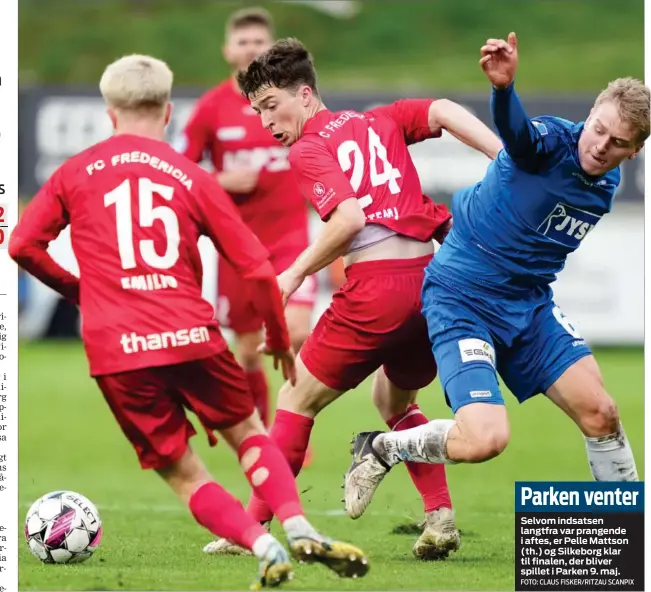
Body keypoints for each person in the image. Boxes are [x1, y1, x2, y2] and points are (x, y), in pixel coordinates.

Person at [9, 53, 369, 589]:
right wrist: (276, 335)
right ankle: (296, 526)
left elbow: (22, 245)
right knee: (248, 433)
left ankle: (263, 544)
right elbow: (253, 265)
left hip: (116, 348)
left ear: (110, 114)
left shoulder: (73, 172)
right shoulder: (190, 177)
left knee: (184, 473)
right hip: (191, 334)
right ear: (168, 111)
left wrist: (82, 291)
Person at [202, 38, 503, 560]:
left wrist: (292, 275)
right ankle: (440, 518)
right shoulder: (378, 119)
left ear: (305, 93)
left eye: (272, 106)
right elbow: (445, 110)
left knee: (295, 400)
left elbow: (349, 219)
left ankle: (247, 528)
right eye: (257, 111)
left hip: (379, 290)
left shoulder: (307, 148)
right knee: (394, 401)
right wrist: (504, 156)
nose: (266, 121)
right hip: (433, 282)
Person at [343, 32, 647, 514]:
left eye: (617, 144)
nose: (600, 146)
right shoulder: (552, 143)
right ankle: (383, 448)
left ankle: (627, 536)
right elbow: (520, 136)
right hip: (462, 297)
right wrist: (504, 91)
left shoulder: (608, 178)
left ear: (632, 153)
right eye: (597, 129)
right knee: (486, 440)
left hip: (528, 304)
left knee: (602, 413)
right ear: (589, 114)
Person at [176, 8, 317, 449]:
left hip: (291, 238)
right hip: (236, 245)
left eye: (259, 42)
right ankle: (265, 434)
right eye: (243, 42)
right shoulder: (211, 108)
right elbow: (179, 171)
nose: (251, 48)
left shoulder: (293, 101)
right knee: (248, 352)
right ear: (228, 50)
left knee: (294, 332)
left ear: (271, 49)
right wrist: (221, 180)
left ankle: (292, 424)